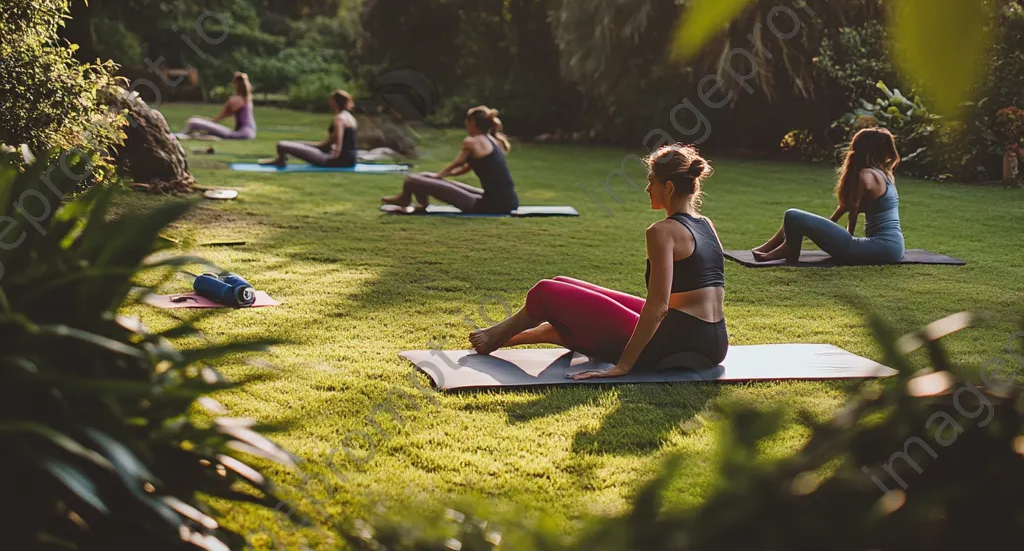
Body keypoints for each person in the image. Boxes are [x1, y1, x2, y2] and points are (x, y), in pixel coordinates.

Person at [467, 144, 729, 377]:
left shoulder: (662, 232)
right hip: (712, 343)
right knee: (563, 283)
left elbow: (658, 308)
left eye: (652, 182)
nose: (648, 188)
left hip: (674, 345)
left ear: (669, 187)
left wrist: (624, 366)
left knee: (546, 291)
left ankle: (497, 336)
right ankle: (531, 333)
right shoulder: (706, 224)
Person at [751, 126, 905, 264]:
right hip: (893, 246)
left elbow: (854, 210)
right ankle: (774, 246)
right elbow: (847, 206)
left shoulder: (866, 175)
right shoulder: (885, 175)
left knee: (792, 215)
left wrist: (848, 237)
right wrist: (826, 226)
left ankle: (789, 249)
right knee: (797, 219)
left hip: (881, 246)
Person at [380, 105, 518, 214]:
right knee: (424, 176)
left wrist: (439, 176)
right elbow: (465, 168)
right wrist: (440, 177)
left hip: (490, 205)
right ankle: (416, 203)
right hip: (508, 200)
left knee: (413, 179)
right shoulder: (492, 140)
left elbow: (457, 163)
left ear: (472, 122)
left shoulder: (472, 141)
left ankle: (406, 199)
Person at [264, 90, 358, 168]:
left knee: (282, 144)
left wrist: (336, 156)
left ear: (335, 102)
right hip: (350, 159)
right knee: (292, 144)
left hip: (338, 160)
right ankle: (280, 160)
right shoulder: (350, 118)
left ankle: (281, 161)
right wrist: (301, 144)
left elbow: (339, 139)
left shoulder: (339, 118)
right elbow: (327, 144)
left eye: (331, 100)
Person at [184, 72, 256, 140]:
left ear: (236, 84)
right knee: (209, 132)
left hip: (240, 134)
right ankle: (196, 135)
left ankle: (184, 134)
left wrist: (200, 119)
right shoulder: (248, 99)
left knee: (193, 121)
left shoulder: (234, 100)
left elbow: (217, 120)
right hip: (250, 133)